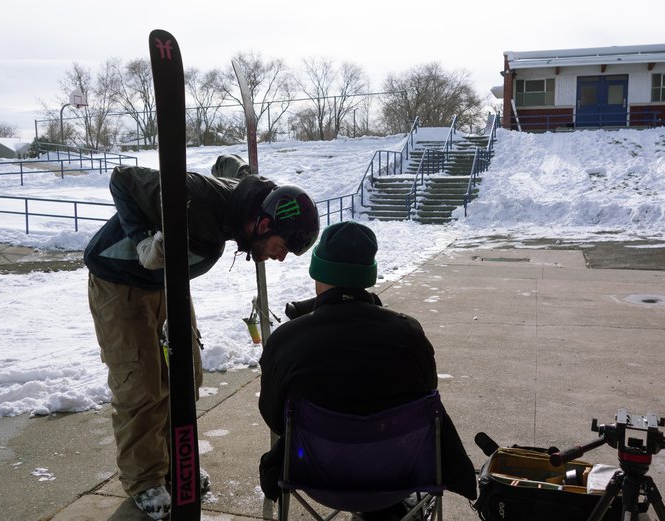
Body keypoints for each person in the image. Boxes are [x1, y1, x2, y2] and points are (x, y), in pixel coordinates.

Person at [85, 154, 319, 520]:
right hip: (120, 284)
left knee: (184, 376)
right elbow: (123, 178)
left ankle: (177, 463)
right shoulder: (196, 195)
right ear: (264, 224)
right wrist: (145, 239)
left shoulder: (252, 204)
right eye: (282, 247)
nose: (280, 258)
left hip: (168, 286)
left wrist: (236, 167)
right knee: (141, 385)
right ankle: (145, 480)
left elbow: (239, 173)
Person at [257, 221, 477, 519]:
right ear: (368, 274)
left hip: (314, 474)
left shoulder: (287, 340)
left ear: (318, 271)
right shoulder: (409, 335)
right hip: (398, 475)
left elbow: (274, 416)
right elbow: (427, 400)